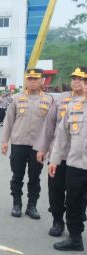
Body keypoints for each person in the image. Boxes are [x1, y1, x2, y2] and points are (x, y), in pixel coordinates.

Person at [35, 67, 86, 236]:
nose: (76, 81)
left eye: (80, 78)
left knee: (78, 194)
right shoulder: (61, 100)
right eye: (74, 78)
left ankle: (76, 222)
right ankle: (57, 221)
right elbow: (49, 125)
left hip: (80, 158)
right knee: (55, 189)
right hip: (59, 154)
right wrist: (42, 148)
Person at [1, 68, 54, 219]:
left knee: (35, 177)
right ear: (26, 80)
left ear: (42, 81)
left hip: (38, 147)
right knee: (17, 176)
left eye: (35, 78)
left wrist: (49, 147)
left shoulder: (49, 100)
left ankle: (32, 206)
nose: (32, 81)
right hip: (18, 143)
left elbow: (51, 127)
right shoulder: (16, 98)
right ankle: (16, 204)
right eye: (29, 78)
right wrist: (5, 141)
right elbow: (8, 121)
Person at [47, 70, 87, 252]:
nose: (83, 84)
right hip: (75, 165)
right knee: (73, 202)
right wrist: (54, 160)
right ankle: (75, 238)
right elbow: (62, 136)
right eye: (82, 81)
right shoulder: (73, 106)